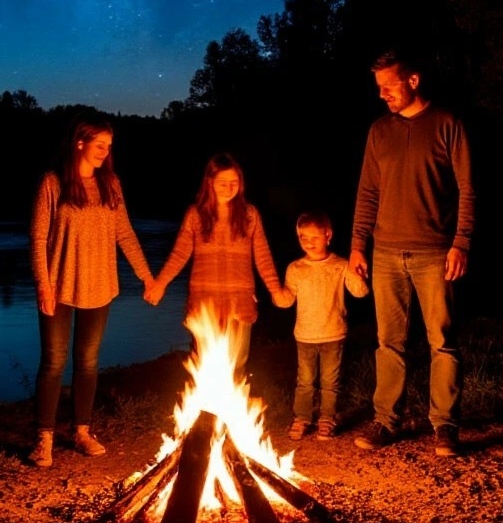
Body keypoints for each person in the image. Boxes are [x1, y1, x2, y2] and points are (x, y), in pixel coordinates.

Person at [349, 49, 476, 458]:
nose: (382, 95)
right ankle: (387, 420)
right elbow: (368, 191)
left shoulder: (447, 124)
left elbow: (468, 189)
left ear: (413, 80)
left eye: (388, 86)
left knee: (442, 341)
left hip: (434, 253)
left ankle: (445, 426)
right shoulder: (379, 131)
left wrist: (461, 242)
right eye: (378, 88)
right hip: (385, 253)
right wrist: (357, 245)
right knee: (389, 342)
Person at [28, 112, 155, 468]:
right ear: (80, 142)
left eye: (109, 146)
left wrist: (147, 276)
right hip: (59, 284)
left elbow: (125, 233)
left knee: (87, 362)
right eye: (100, 145)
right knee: (53, 362)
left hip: (99, 285)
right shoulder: (53, 184)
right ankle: (44, 438)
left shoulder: (111, 185)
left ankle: (81, 431)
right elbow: (38, 238)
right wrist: (43, 284)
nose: (105, 151)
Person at [144, 152, 283, 384]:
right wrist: (160, 283)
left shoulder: (249, 215)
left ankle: (233, 419)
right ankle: (207, 418)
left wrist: (275, 289)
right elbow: (180, 254)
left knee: (237, 362)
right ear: (210, 183)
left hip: (240, 302)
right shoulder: (195, 215)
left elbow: (263, 256)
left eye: (234, 183)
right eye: (222, 183)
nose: (228, 188)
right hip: (204, 302)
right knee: (205, 363)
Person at [273, 210, 369, 441]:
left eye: (314, 237)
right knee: (305, 381)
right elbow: (287, 301)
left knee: (330, 381)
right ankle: (302, 418)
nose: (308, 243)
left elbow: (360, 292)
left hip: (334, 333)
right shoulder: (295, 268)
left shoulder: (341, 265)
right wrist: (274, 292)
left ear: (328, 235)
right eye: (303, 237)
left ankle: (327, 419)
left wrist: (361, 275)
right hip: (305, 335)